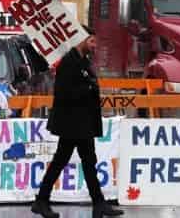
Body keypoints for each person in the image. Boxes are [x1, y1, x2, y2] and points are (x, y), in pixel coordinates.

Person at [31, 27, 123, 218]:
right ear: (81, 40)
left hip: (83, 122)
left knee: (88, 161)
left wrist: (89, 86)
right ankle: (42, 201)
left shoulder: (82, 61)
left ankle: (98, 204)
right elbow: (65, 93)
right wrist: (88, 88)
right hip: (72, 124)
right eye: (91, 41)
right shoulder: (68, 62)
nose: (94, 45)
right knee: (64, 161)